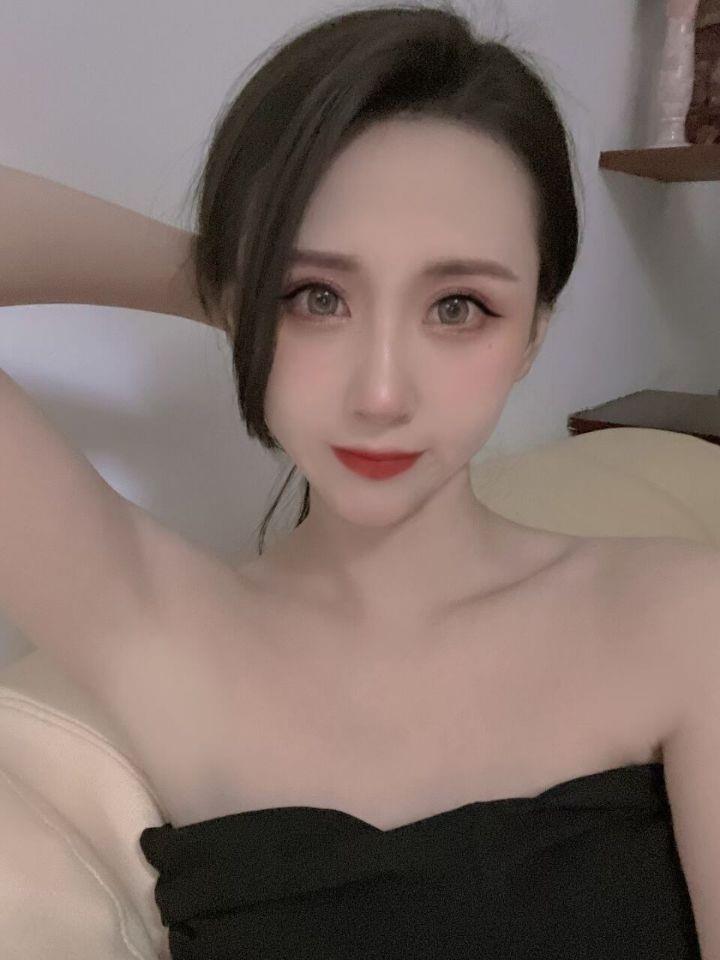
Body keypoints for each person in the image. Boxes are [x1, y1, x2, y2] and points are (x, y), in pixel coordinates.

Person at [0, 3, 709, 958]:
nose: (380, 393)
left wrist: (290, 288)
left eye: (458, 306)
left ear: (534, 333)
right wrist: (231, 280)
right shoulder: (161, 630)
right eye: (318, 297)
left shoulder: (682, 617)